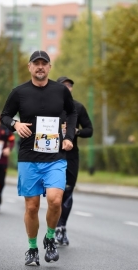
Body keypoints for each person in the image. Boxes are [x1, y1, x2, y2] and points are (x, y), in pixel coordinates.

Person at [0, 50, 77, 266]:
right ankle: (32, 248)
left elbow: (72, 114)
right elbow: (4, 116)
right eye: (36, 63)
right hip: (28, 157)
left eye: (44, 63)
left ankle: (50, 239)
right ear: (29, 67)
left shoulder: (61, 91)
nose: (40, 67)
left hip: (55, 156)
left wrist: (69, 136)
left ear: (50, 67)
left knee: (55, 200)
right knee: (32, 207)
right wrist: (15, 124)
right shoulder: (19, 92)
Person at [55, 76, 93, 246]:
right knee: (56, 195)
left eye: (70, 86)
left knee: (68, 192)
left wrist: (75, 132)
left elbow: (89, 130)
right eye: (64, 85)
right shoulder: (50, 107)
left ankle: (61, 227)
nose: (68, 88)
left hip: (71, 156)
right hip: (52, 156)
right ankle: (55, 228)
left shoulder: (77, 107)